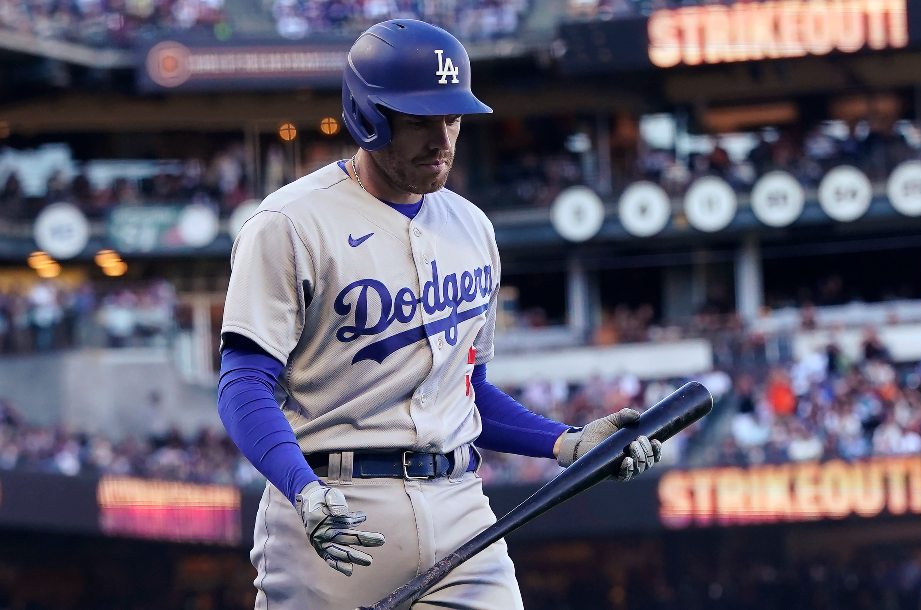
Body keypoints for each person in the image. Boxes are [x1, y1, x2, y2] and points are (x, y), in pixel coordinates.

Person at [216, 19, 662, 610]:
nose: (442, 139)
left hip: (461, 507)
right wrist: (303, 490)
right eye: (419, 121)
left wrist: (568, 442)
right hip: (336, 515)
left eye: (451, 118)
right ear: (369, 118)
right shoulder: (290, 224)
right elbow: (243, 385)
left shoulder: (472, 228)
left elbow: (467, 392)